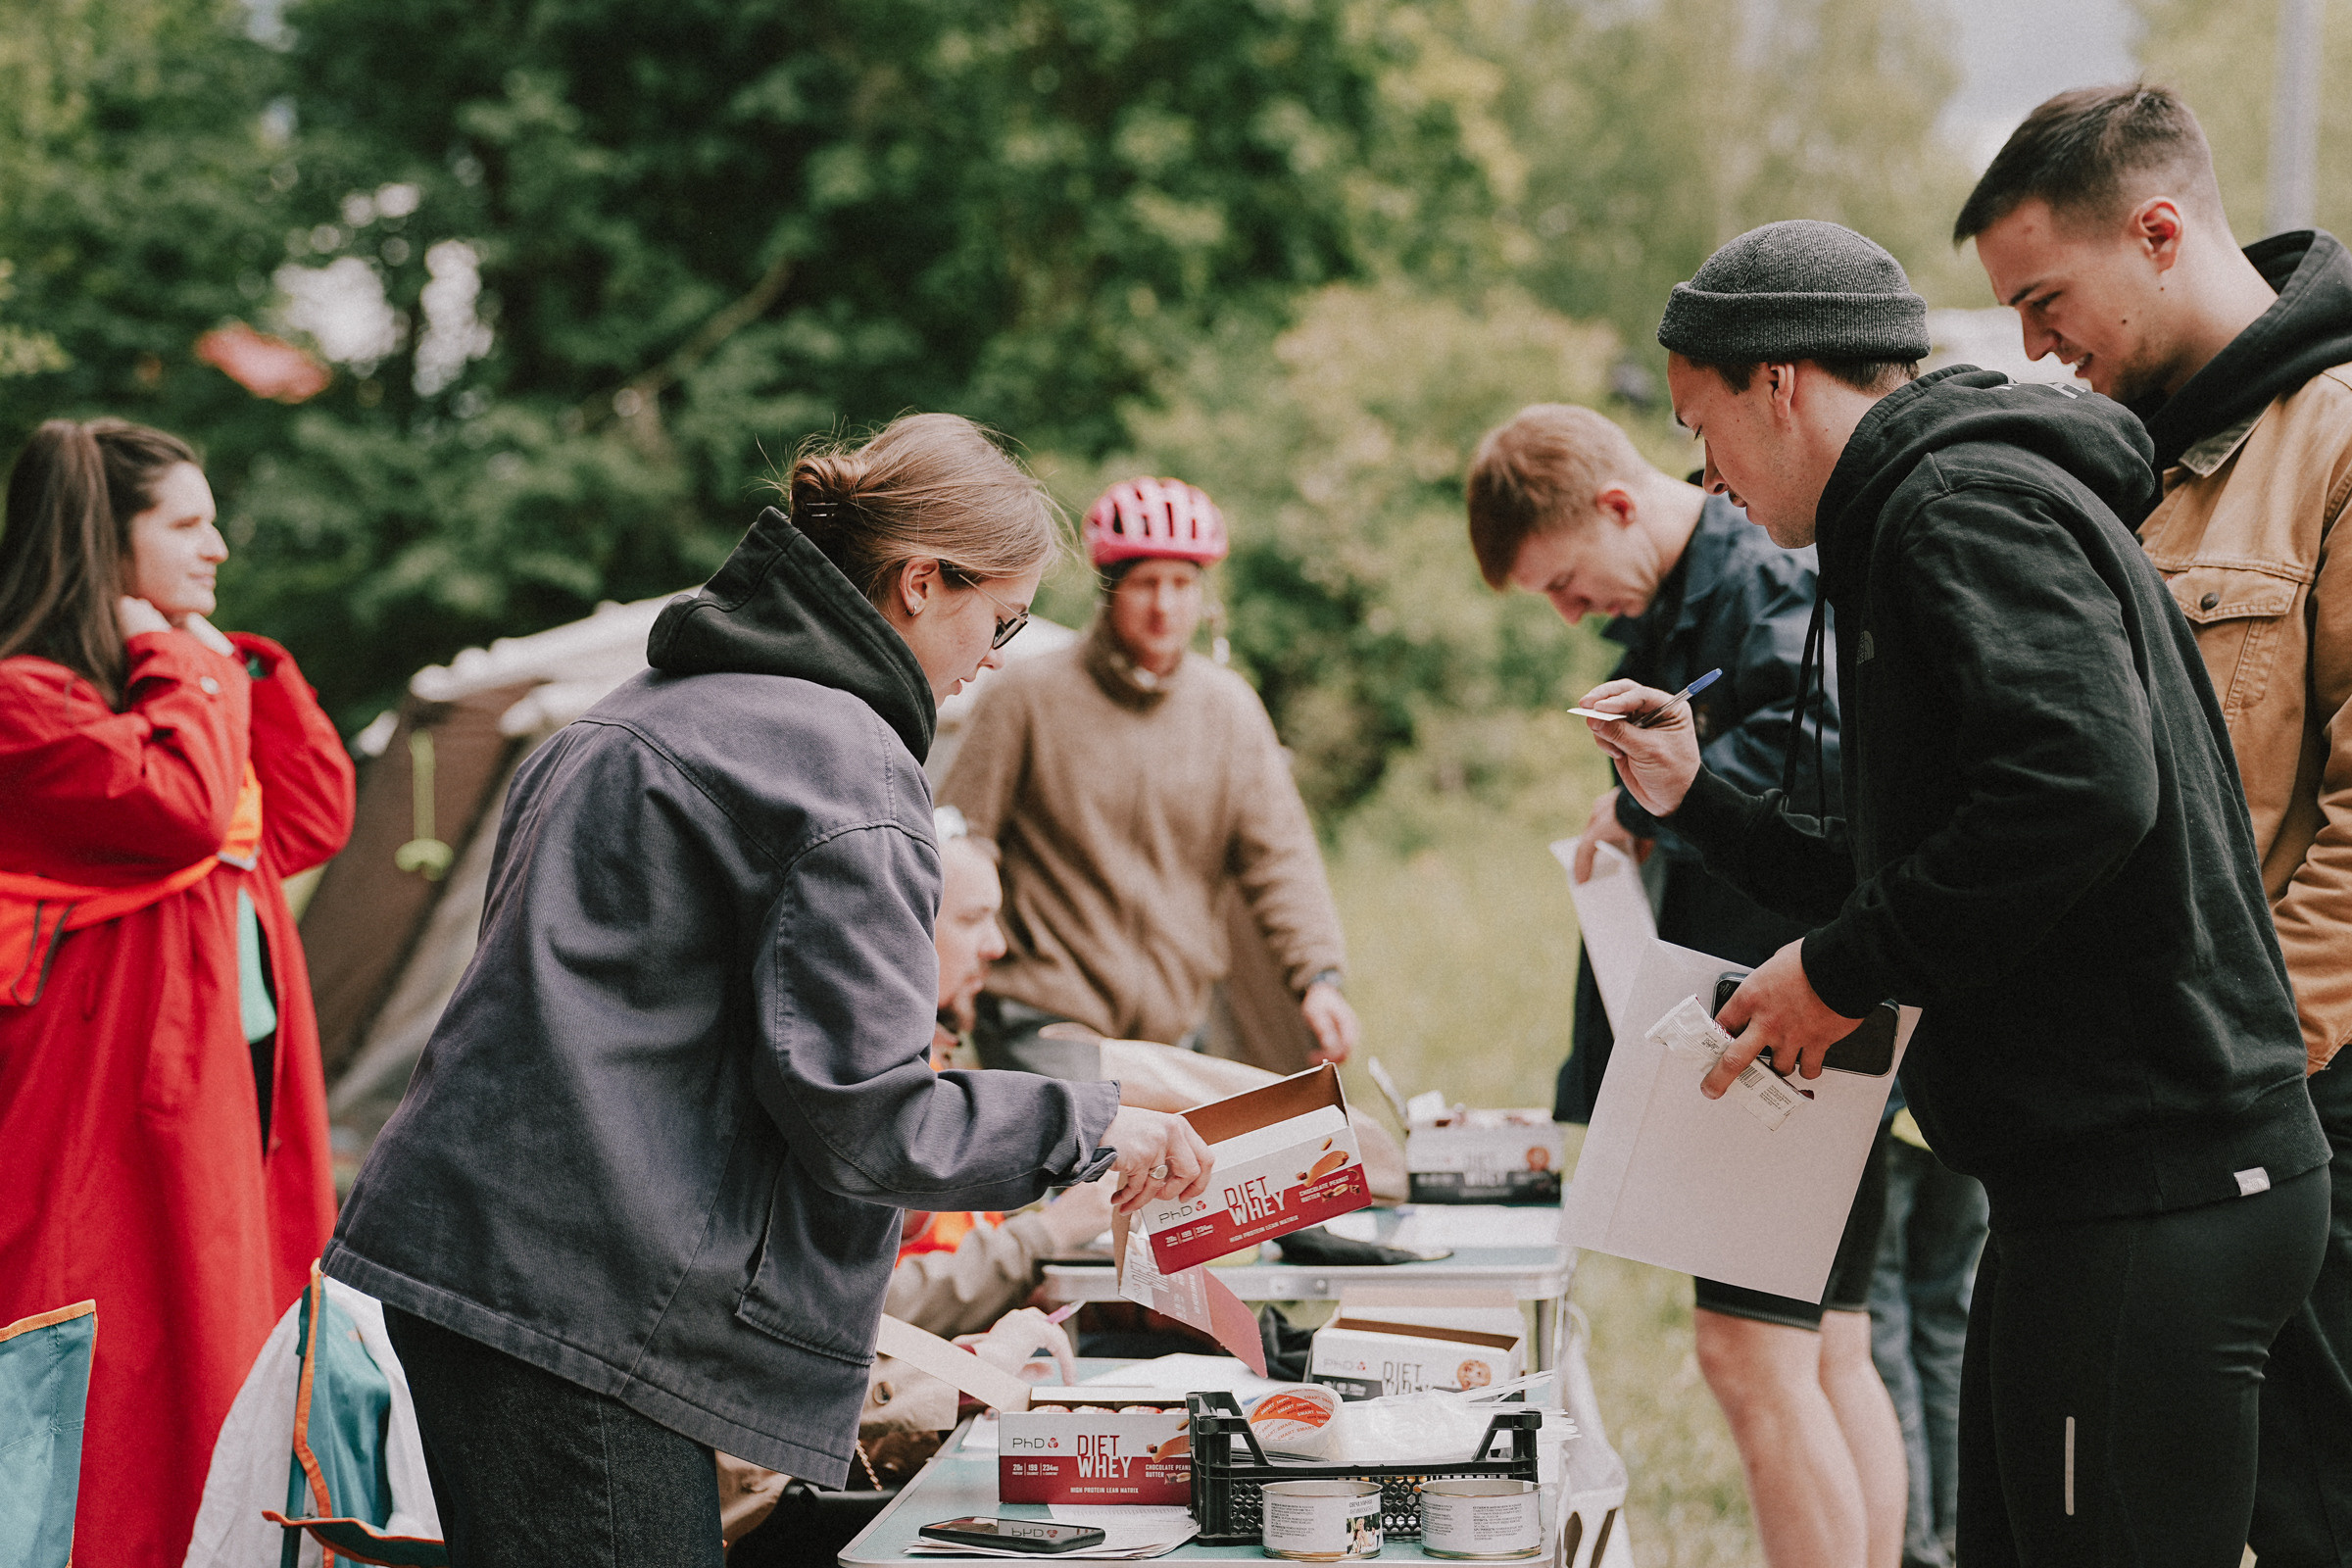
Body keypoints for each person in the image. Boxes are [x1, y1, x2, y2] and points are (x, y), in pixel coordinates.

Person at [322, 414, 1213, 1562]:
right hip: (580, 1306)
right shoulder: (844, 771)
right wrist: (1095, 1127)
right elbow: (870, 1115)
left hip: (483, 1266)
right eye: (1001, 618)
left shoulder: (646, 705)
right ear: (920, 583)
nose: (998, 654)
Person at [1592, 219, 2330, 1565]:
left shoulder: (1956, 507)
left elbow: (2084, 791)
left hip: (2154, 1181)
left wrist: (1836, 972)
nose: (1706, 480)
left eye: (1704, 432)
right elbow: (1919, 854)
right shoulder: (1911, 517)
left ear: (1780, 381)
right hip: (2074, 1190)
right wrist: (1696, 803)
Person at [1957, 84, 2352, 1565]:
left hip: (2300, 1095)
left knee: (2310, 1514)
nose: (2034, 347)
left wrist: (2268, 1062)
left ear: (2164, 231)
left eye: (2048, 299)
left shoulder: (2337, 440)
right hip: (2151, 1122)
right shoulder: (2114, 471)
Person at [1464, 403, 1901, 1568]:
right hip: (1807, 1012)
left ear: (1617, 503)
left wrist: (1655, 802)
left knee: (1749, 1355)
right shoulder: (1692, 600)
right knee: (1832, 1344)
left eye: (1564, 583)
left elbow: (1828, 763)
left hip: (1790, 1017)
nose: (1568, 614)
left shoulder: (1763, 586)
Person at [0, 418, 354, 1566]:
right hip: (98, 1111)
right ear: (109, 537)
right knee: (108, 1377)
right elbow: (188, 815)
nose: (220, 547)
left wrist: (223, 654)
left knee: (223, 1359)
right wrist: (194, 665)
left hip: (219, 1103)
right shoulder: (26, 703)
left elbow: (304, 816)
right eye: (188, 524)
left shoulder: (173, 696)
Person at [939, 476, 1358, 1073]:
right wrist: (952, 970)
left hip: (1175, 1027)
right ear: (1109, 591)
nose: (1165, 605)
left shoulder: (1229, 710)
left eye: (1182, 584)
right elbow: (962, 839)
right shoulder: (1026, 697)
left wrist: (1319, 976)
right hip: (1045, 1018)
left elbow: (1279, 858)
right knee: (1099, 1158)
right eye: (1145, 584)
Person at [892, 807, 1113, 1336]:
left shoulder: (938, 1060)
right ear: (905, 927)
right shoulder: (875, 1094)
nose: (997, 946)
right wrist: (1048, 1236)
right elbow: (874, 1312)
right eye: (971, 920)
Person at [1865, 1086, 1984, 1568]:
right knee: (1949, 1327)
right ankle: (1958, 1536)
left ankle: (1912, 1549)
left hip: (1888, 1108)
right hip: (1971, 1116)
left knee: (1876, 1334)